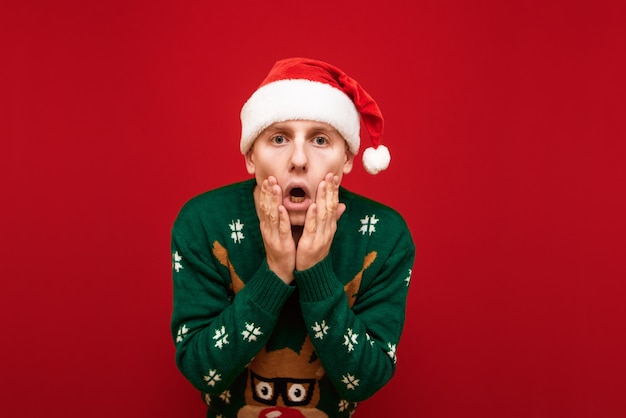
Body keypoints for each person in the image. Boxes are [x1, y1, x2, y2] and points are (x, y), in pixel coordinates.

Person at [170, 57, 415, 418]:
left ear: (347, 158)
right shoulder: (203, 224)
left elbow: (365, 379)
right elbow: (203, 371)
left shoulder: (385, 235)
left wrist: (315, 271)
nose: (298, 159)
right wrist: (274, 272)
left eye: (319, 139)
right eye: (279, 138)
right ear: (251, 156)